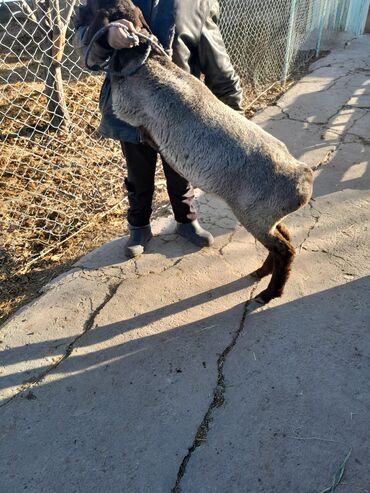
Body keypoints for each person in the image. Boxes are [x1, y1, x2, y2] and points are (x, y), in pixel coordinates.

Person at [74, 0, 243, 258]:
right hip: (132, 108)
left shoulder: (196, 3)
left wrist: (236, 118)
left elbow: (217, 63)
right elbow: (84, 46)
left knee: (180, 168)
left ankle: (186, 220)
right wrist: (105, 37)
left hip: (180, 110)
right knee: (138, 172)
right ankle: (139, 226)